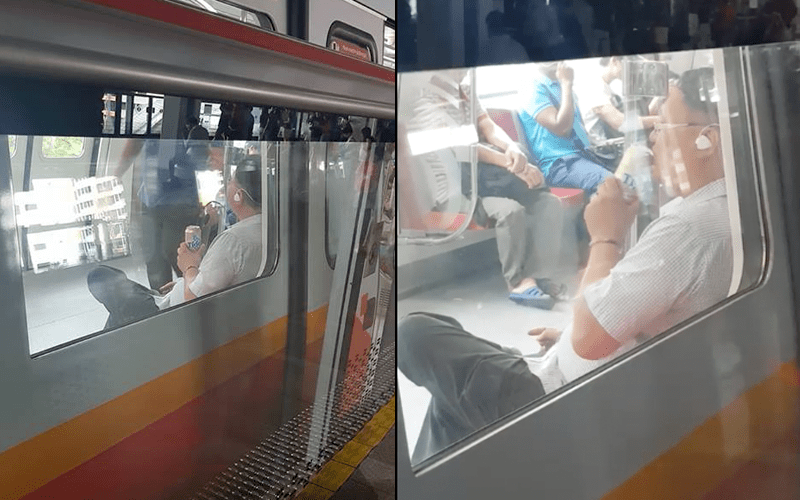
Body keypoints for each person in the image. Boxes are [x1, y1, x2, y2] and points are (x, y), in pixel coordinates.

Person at [399, 67, 732, 463]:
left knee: (413, 333)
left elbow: (589, 340)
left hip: (565, 400)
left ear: (707, 139)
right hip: (587, 370)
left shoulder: (688, 230)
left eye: (662, 125)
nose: (654, 137)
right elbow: (635, 320)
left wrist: (605, 238)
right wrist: (569, 334)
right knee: (449, 404)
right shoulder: (717, 211)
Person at [408, 70, 569, 308]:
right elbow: (459, 147)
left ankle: (538, 275)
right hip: (459, 191)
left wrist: (512, 148)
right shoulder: (426, 99)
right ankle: (517, 282)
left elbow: (488, 127)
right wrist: (513, 165)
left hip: (486, 179)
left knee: (550, 204)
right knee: (510, 211)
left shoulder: (466, 90)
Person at [89, 156, 263, 327]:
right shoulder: (265, 229)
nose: (227, 184)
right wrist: (183, 281)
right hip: (173, 297)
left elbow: (195, 299)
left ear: (239, 196)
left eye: (231, 180)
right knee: (118, 313)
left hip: (171, 313)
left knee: (99, 276)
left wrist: (189, 266)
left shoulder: (233, 241)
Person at [115, 138, 201, 290]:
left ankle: (192, 295)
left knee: (178, 254)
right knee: (155, 261)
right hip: (152, 198)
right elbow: (135, 142)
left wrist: (117, 174)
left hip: (180, 201)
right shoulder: (147, 126)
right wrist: (116, 175)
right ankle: (165, 299)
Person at [518, 61, 613, 193]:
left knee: (630, 174)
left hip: (583, 155)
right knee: (612, 185)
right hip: (559, 164)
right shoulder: (532, 86)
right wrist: (567, 84)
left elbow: (579, 130)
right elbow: (561, 128)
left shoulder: (561, 87)